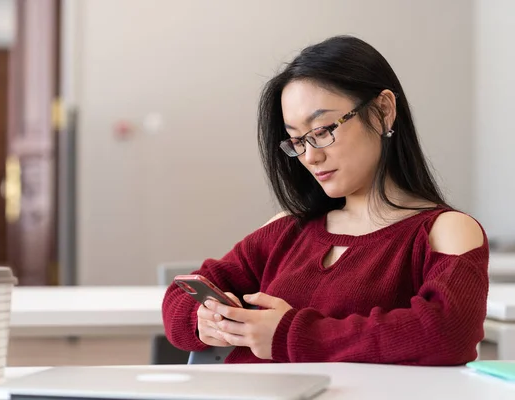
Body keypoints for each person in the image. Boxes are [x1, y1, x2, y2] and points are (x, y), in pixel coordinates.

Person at [161, 35, 488, 365]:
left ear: (383, 111)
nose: (310, 157)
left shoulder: (444, 231)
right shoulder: (288, 229)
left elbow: (448, 333)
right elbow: (180, 295)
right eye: (296, 140)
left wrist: (290, 336)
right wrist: (202, 320)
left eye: (321, 131)